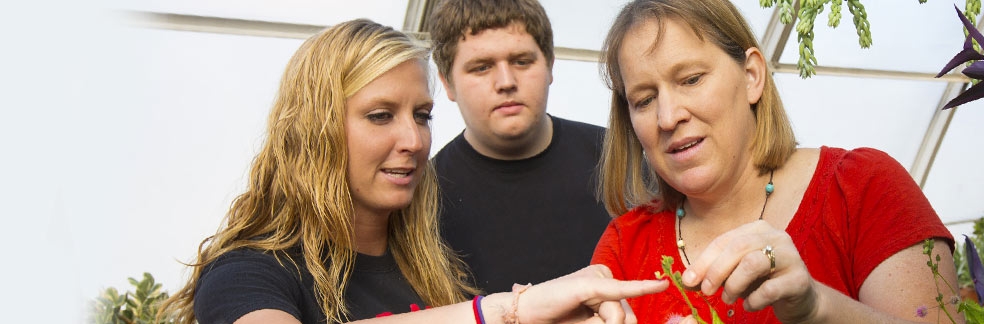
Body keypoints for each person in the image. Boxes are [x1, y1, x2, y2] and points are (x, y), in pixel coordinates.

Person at [158, 19, 666, 324]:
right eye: (381, 116)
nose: (415, 140)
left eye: (422, 116)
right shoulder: (249, 272)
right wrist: (505, 311)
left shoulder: (434, 270)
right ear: (314, 131)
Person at [590, 0, 965, 323]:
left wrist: (817, 307)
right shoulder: (626, 245)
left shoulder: (861, 188)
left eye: (691, 79)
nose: (668, 117)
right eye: (643, 100)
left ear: (751, 75)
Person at [427, 0, 614, 294]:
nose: (506, 82)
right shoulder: (423, 198)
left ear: (550, 64)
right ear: (447, 83)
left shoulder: (618, 159)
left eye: (522, 61)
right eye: (481, 67)